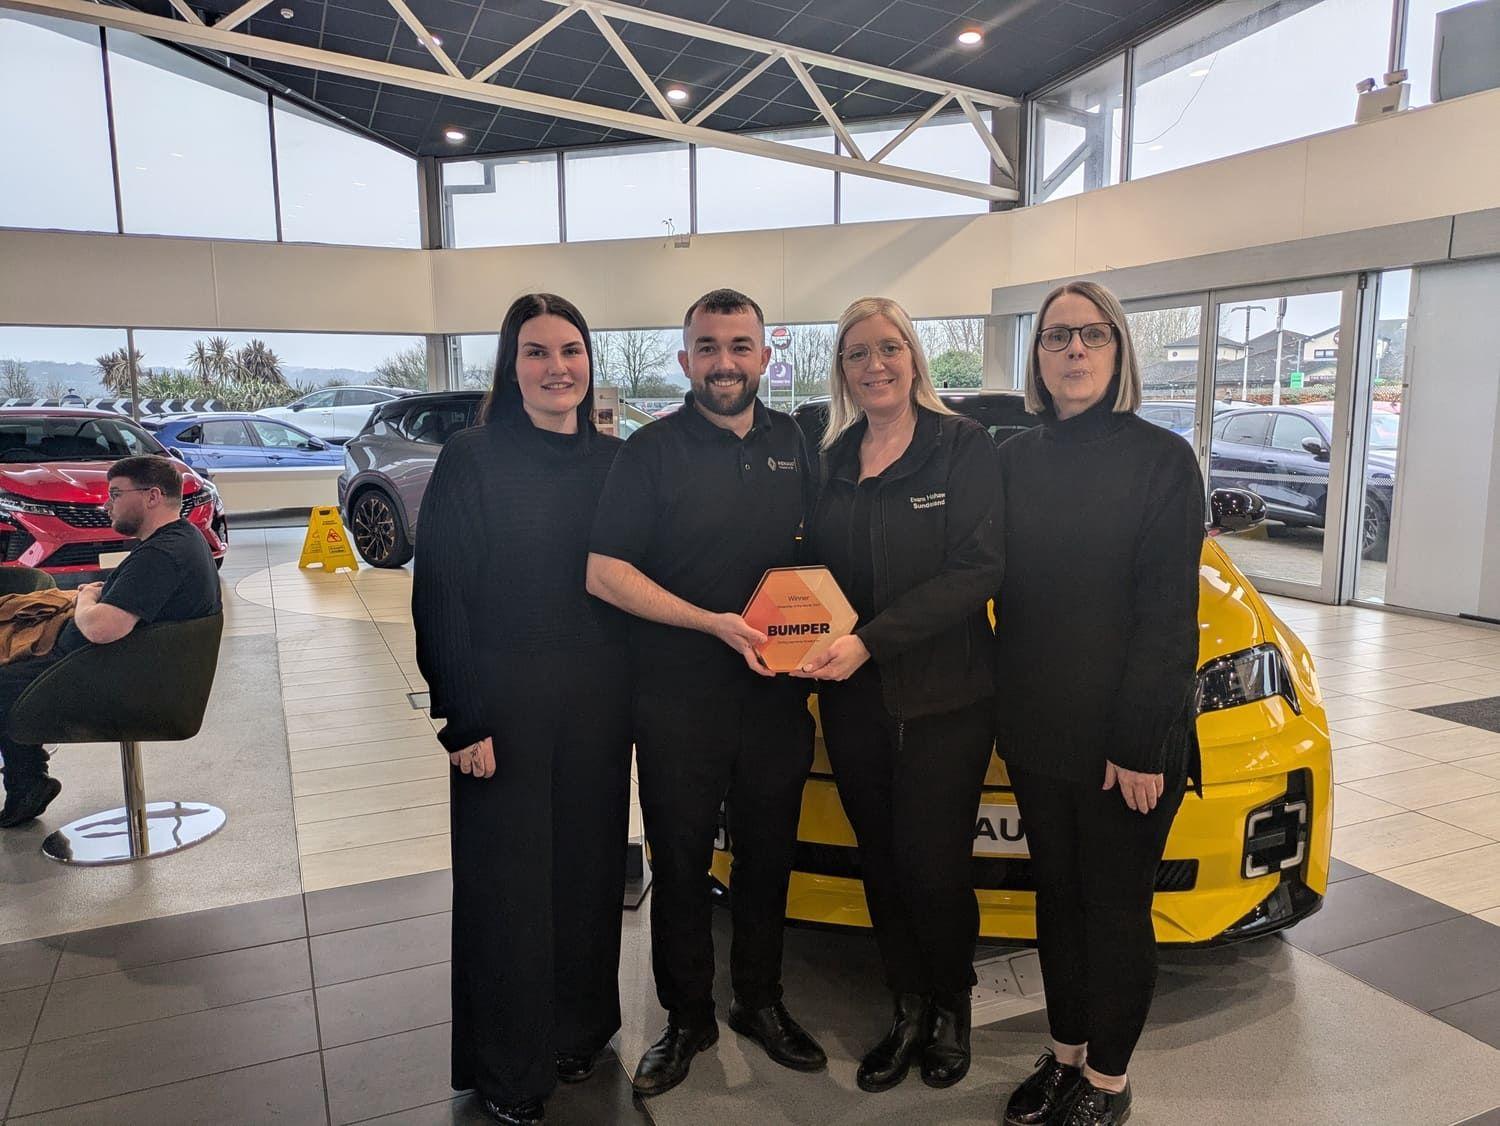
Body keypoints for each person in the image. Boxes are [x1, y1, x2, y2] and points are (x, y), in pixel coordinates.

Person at [587, 288, 825, 1097]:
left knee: (767, 859)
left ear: (765, 357)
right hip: (677, 700)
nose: (725, 363)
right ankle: (687, 1018)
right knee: (682, 863)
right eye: (709, 347)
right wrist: (711, 624)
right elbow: (606, 573)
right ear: (686, 359)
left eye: (740, 346)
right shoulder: (648, 452)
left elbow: (818, 560)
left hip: (775, 700)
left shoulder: (795, 442)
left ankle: (759, 1000)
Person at [412, 294, 632, 1126]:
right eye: (536, 352)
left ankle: (579, 1031)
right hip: (502, 706)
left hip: (599, 706)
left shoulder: (615, 462)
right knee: (508, 889)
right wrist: (462, 715)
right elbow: (442, 591)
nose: (556, 368)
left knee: (587, 875)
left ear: (590, 361)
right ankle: (508, 1067)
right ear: (511, 366)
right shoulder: (472, 458)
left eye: (570, 350)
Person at [995, 281, 1204, 1126]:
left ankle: (1108, 1083)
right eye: (1056, 336)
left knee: (1114, 911)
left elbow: (1168, 617)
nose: (1074, 349)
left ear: (1119, 349)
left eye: (1092, 334)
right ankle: (1066, 1057)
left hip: (1128, 740)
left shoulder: (1162, 460)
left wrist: (1141, 742)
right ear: (1038, 357)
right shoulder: (1013, 460)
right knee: (1058, 901)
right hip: (1039, 729)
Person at [797, 296, 1004, 1093]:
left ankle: (952, 1006)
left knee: (934, 862)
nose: (875, 365)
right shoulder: (833, 458)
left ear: (914, 357)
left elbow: (978, 569)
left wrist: (869, 642)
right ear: (842, 370)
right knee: (880, 859)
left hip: (946, 698)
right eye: (857, 353)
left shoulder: (962, 445)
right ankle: (907, 1007)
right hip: (853, 699)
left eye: (888, 348)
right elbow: (810, 569)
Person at [0, 455, 221, 828]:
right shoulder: (178, 540)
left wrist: (86, 599)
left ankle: (28, 782)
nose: (106, 505)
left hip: (120, 679)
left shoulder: (162, 554)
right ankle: (28, 781)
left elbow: (101, 629)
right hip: (119, 664)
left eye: (116, 494)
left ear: (152, 496)